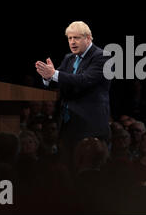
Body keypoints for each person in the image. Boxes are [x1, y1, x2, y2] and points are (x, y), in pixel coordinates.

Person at [35, 21, 112, 165]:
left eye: (76, 38)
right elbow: (58, 80)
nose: (72, 42)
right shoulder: (69, 58)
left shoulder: (102, 57)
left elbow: (85, 80)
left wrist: (54, 73)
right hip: (68, 126)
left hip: (90, 127)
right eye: (70, 38)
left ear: (88, 38)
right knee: (67, 169)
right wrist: (47, 77)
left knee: (89, 171)